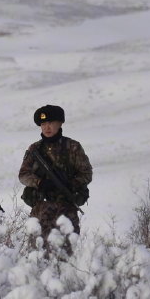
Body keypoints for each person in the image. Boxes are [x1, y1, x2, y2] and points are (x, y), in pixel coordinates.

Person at [18, 104, 93, 247]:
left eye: (51, 123)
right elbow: (23, 175)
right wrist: (40, 183)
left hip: (66, 210)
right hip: (40, 209)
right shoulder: (35, 149)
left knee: (67, 251)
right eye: (43, 124)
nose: (47, 127)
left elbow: (86, 173)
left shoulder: (73, 147)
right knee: (37, 252)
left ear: (60, 123)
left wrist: (70, 184)